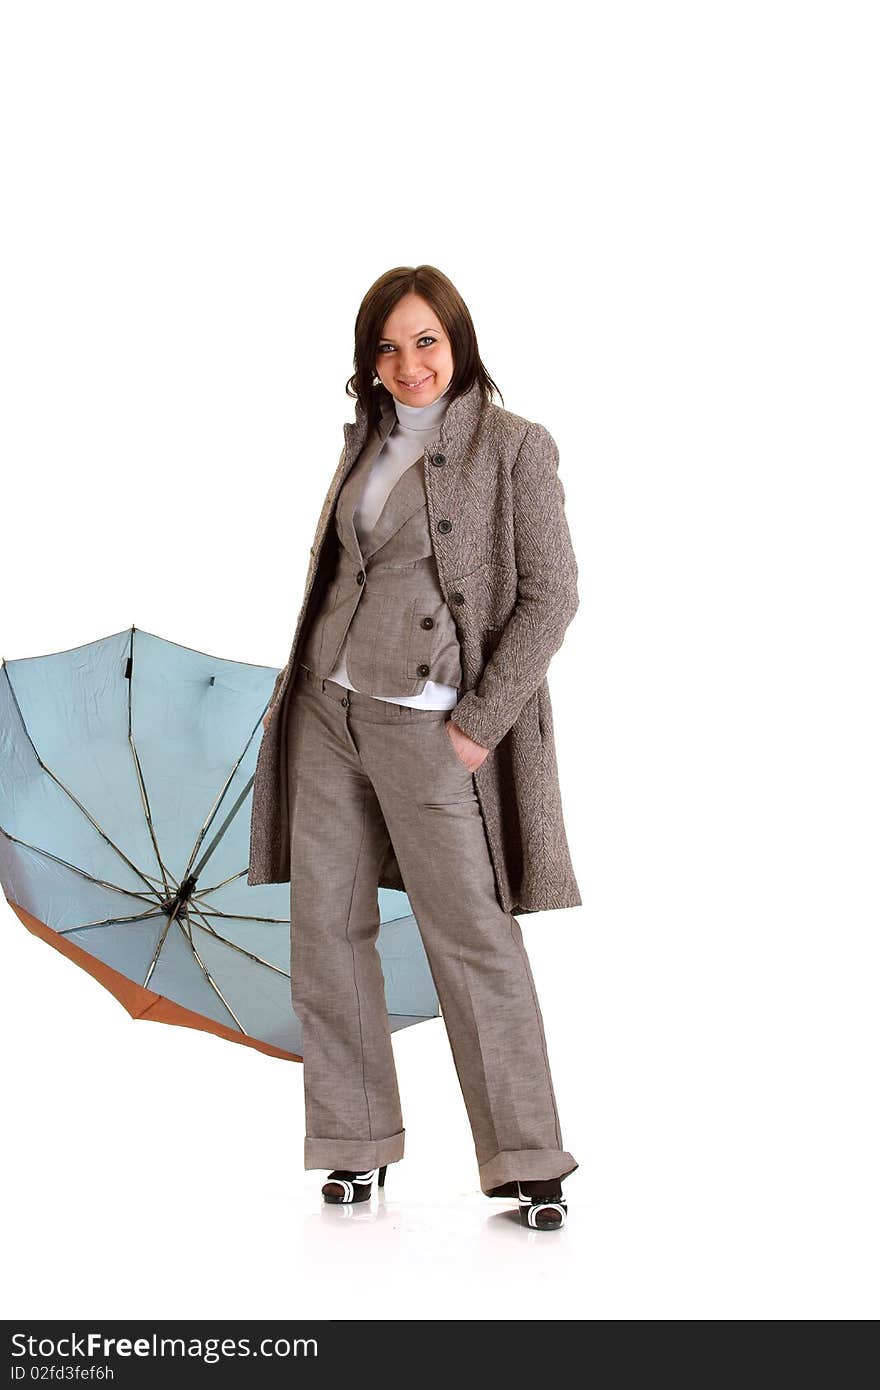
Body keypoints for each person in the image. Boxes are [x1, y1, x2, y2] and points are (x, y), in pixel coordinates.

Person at [255, 265, 580, 1230]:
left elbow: (552, 597)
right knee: (327, 928)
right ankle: (351, 1146)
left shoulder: (516, 449)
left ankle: (528, 1156)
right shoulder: (367, 442)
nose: (409, 364)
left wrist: (480, 723)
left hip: (429, 726)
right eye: (388, 348)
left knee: (471, 936)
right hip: (326, 711)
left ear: (458, 340)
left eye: (425, 340)